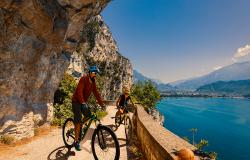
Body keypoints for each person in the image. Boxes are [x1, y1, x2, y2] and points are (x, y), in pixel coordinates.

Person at [71, 65, 105, 151]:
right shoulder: (84, 79)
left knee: (89, 115)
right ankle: (76, 141)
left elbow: (96, 94)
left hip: (83, 102)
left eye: (96, 73)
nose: (95, 74)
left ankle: (80, 126)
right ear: (90, 72)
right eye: (94, 73)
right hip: (76, 101)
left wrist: (102, 104)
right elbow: (79, 91)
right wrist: (82, 102)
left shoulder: (93, 82)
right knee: (78, 119)